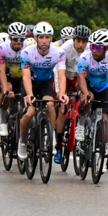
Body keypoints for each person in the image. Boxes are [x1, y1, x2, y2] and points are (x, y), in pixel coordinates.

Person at [75, 29, 108, 165]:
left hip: (103, 88)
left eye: (98, 47)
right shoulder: (85, 56)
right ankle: (80, 122)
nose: (94, 50)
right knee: (87, 99)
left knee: (104, 119)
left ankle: (101, 148)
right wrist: (85, 93)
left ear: (106, 48)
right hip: (88, 86)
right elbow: (80, 76)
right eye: (92, 46)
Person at [18, 21, 68, 161]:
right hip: (30, 84)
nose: (44, 41)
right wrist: (29, 95)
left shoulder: (59, 52)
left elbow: (61, 75)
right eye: (41, 37)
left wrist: (62, 93)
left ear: (51, 38)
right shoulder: (27, 52)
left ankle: (50, 139)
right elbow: (26, 76)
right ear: (35, 38)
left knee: (50, 105)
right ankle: (22, 142)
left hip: (46, 83)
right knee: (29, 113)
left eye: (47, 37)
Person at [54, 24, 90, 162]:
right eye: (78, 41)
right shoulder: (65, 49)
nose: (80, 45)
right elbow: (58, 72)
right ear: (73, 39)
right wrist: (60, 92)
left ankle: (80, 125)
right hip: (64, 76)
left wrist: (83, 91)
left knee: (82, 102)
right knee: (63, 110)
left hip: (79, 77)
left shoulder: (89, 50)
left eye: (83, 42)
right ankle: (58, 147)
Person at [0, 22, 28, 139]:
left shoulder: (29, 47)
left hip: (22, 77)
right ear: (10, 37)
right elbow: (1, 70)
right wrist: (5, 90)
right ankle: (3, 120)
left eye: (21, 38)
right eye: (15, 39)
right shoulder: (1, 48)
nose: (19, 41)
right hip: (8, 76)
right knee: (6, 90)